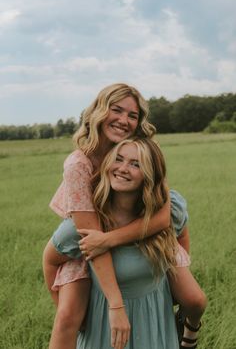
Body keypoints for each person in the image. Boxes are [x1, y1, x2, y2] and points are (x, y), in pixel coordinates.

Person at [43, 83, 171, 349]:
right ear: (100, 111)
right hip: (85, 234)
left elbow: (163, 216)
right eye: (116, 110)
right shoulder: (79, 164)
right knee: (68, 317)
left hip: (126, 224)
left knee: (192, 296)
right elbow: (92, 239)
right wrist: (115, 305)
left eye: (132, 115)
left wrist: (111, 239)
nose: (123, 120)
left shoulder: (142, 148)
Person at [76, 137, 190, 348]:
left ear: (149, 176)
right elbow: (50, 260)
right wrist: (74, 318)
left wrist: (177, 277)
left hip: (156, 324)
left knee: (196, 300)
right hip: (105, 329)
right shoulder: (88, 222)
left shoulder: (163, 216)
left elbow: (181, 232)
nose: (123, 168)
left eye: (136, 164)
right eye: (118, 159)